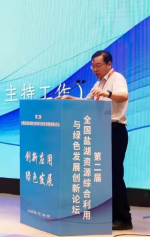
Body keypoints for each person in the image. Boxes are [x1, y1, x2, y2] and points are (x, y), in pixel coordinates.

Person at [57, 50, 132, 231]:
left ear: (109, 64)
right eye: (93, 66)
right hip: (101, 131)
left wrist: (107, 93)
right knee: (105, 176)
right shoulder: (99, 83)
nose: (95, 69)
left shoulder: (117, 79)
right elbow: (88, 102)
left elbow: (123, 96)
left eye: (98, 65)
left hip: (115, 131)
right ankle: (110, 215)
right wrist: (69, 98)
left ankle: (124, 218)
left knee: (115, 175)